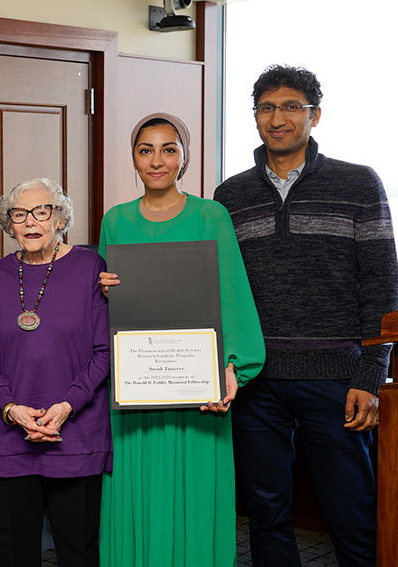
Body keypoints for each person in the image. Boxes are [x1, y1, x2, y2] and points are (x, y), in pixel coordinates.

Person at [214, 65, 398, 567]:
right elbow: (219, 289)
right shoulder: (229, 196)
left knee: (352, 510)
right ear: (255, 117)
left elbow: (383, 287)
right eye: (267, 108)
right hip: (256, 380)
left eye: (292, 106)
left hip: (337, 380)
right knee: (266, 513)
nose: (279, 118)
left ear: (315, 115)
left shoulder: (358, 183)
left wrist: (370, 374)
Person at [97, 113, 265, 566]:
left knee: (196, 495)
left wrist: (230, 367)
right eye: (145, 150)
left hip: (198, 395)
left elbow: (230, 294)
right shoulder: (115, 222)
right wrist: (104, 289)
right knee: (140, 494)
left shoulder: (212, 215)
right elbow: (99, 313)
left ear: (185, 157)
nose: (157, 161)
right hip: (136, 395)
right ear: (133, 157)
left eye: (169, 149)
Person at [0, 178, 111, 567]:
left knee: (77, 549)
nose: (31, 222)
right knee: (15, 550)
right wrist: (11, 407)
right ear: (9, 223)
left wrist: (67, 406)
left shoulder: (91, 268)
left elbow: (104, 352)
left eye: (42, 211)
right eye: (20, 214)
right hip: (11, 431)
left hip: (76, 429)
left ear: (60, 216)